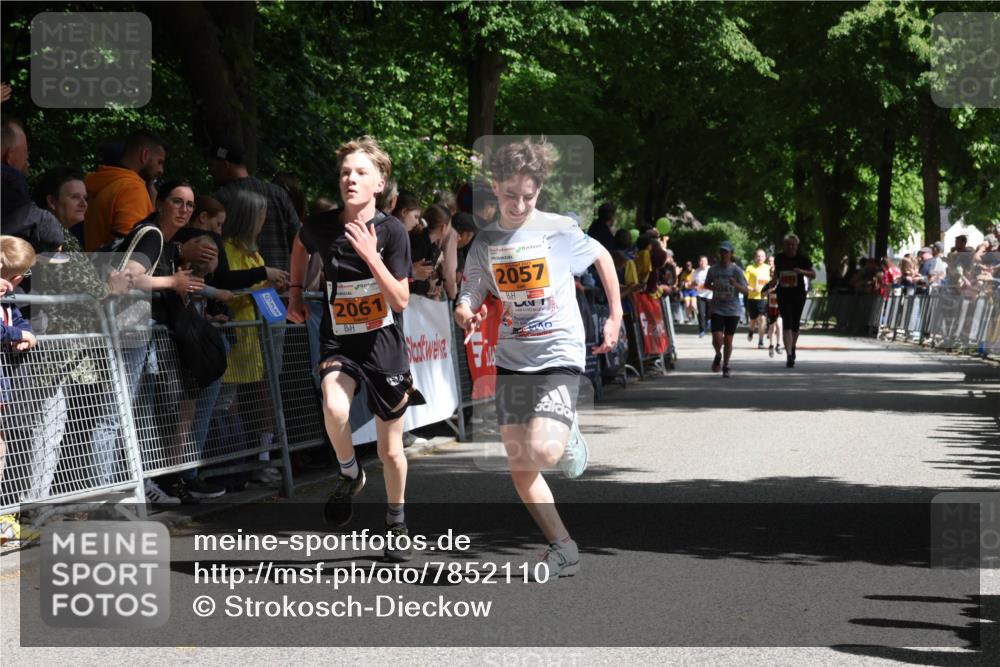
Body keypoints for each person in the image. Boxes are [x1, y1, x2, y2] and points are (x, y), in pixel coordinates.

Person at [454, 138, 622, 579]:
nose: (519, 204)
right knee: (520, 464)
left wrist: (616, 316)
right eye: (510, 195)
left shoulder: (558, 229)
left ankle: (567, 431)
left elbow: (602, 256)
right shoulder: (487, 241)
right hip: (513, 356)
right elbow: (473, 287)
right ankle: (562, 546)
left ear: (539, 190)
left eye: (528, 196)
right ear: (495, 187)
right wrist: (465, 308)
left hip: (559, 351)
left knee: (544, 451)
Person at [287, 137, 423, 562]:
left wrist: (370, 255)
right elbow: (300, 244)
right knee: (334, 406)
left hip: (383, 344)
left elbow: (400, 300)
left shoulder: (394, 232)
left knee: (391, 451)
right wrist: (294, 295)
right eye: (346, 171)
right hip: (340, 339)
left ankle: (396, 522)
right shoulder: (322, 225)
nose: (350, 178)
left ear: (378, 183)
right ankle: (349, 471)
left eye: (361, 172)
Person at [219, 190, 281, 485]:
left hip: (254, 340)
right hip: (234, 339)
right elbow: (228, 293)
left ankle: (261, 459)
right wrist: (262, 284)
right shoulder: (227, 250)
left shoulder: (255, 253)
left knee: (260, 397)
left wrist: (273, 293)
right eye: (260, 216)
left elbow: (262, 297)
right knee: (228, 402)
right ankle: (232, 466)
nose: (264, 221)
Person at [210, 138, 301, 272]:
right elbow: (299, 236)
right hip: (280, 281)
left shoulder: (222, 198)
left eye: (212, 165)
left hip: (240, 282)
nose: (210, 171)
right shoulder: (278, 193)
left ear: (225, 164)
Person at [83, 129, 166, 251]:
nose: (161, 170)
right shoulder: (132, 189)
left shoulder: (105, 183)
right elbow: (132, 248)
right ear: (145, 156)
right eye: (159, 162)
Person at [766, 234, 816, 367]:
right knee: (786, 323)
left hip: (798, 294)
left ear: (797, 246)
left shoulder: (803, 259)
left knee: (795, 325)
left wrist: (801, 271)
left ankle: (792, 346)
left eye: (793, 245)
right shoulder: (780, 258)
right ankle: (788, 354)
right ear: (784, 245)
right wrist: (772, 283)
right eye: (788, 244)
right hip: (783, 294)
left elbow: (813, 275)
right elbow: (776, 274)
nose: (790, 247)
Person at [704, 241, 749, 378]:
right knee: (717, 337)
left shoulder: (736, 271)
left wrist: (735, 284)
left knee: (728, 339)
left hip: (733, 309)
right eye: (721, 252)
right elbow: (706, 285)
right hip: (717, 307)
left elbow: (746, 291)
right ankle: (718, 354)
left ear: (731, 254)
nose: (723, 254)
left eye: (726, 252)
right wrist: (714, 287)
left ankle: (726, 364)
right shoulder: (713, 269)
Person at [409, 203, 458, 301]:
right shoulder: (420, 245)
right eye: (450, 226)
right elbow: (410, 280)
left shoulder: (430, 245)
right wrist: (428, 287)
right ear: (444, 227)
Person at [744, 249, 771, 348]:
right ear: (755, 257)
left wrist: (770, 290)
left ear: (765, 257)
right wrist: (752, 288)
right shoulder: (750, 268)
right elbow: (744, 283)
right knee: (753, 320)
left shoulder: (769, 268)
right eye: (758, 256)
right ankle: (751, 330)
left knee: (763, 318)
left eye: (762, 256)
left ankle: (760, 341)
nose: (760, 258)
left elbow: (773, 282)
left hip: (763, 298)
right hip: (752, 297)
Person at [692, 255, 712, 337]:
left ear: (707, 262)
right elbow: (693, 282)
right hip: (700, 295)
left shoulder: (711, 270)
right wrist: (695, 286)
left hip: (710, 295)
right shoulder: (696, 271)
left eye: (704, 261)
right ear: (699, 262)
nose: (702, 263)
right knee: (701, 313)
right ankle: (702, 330)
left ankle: (708, 322)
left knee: (709, 314)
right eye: (701, 261)